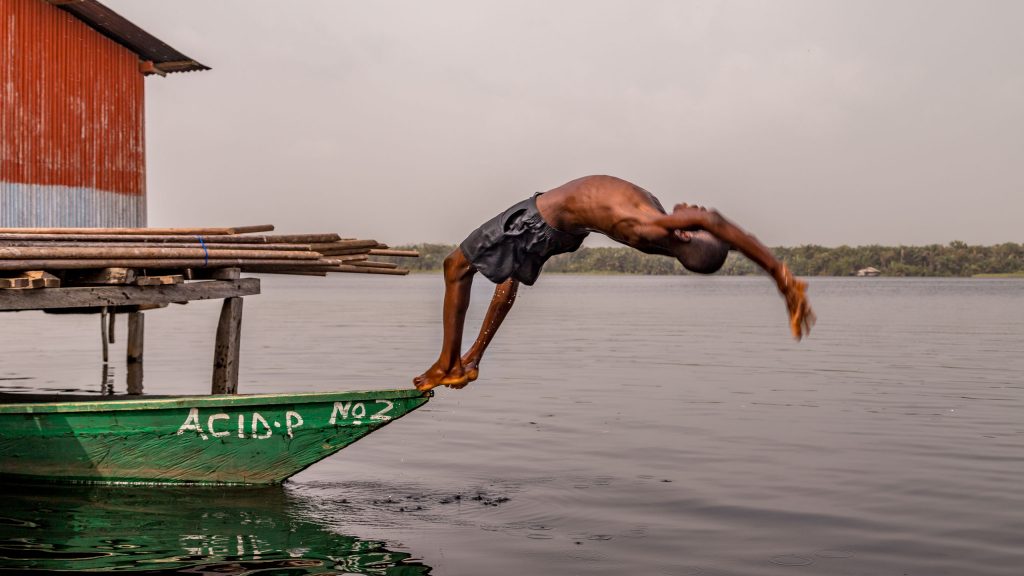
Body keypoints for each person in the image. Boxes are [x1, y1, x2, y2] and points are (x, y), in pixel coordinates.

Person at [414, 175, 815, 391]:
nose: (698, 208)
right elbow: (721, 235)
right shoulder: (663, 238)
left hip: (539, 218)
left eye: (695, 217)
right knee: (511, 275)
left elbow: (714, 223)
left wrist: (781, 276)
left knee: (455, 267)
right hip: (566, 230)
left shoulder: (652, 224)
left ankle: (448, 363)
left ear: (687, 234)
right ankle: (472, 362)